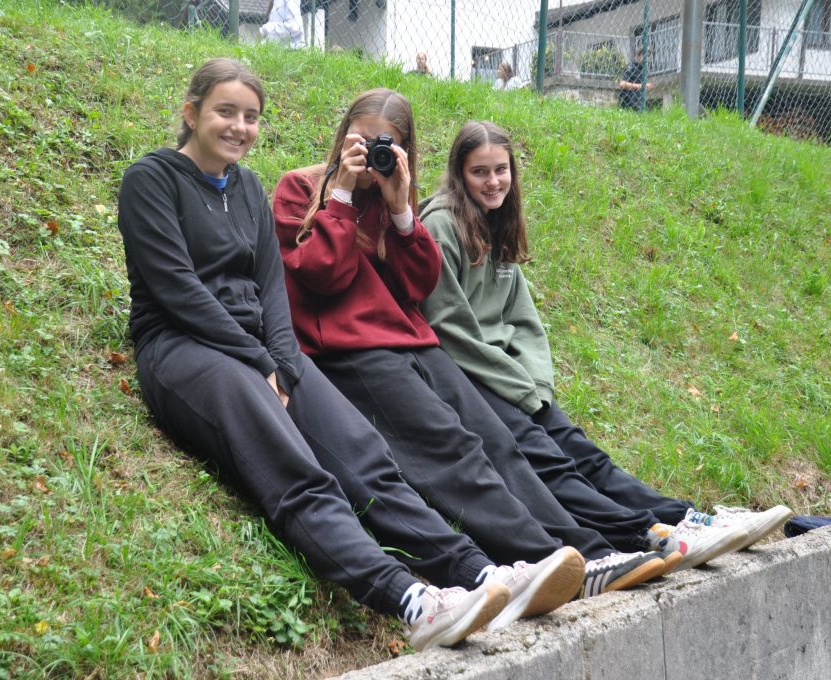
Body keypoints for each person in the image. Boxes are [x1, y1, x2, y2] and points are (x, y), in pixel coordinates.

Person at [115, 58, 604, 652]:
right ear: (191, 113)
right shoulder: (151, 179)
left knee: (364, 455)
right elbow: (177, 289)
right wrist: (260, 360)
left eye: (251, 116)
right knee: (299, 472)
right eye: (225, 112)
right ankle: (411, 599)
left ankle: (476, 572)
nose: (240, 127)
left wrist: (282, 360)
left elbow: (270, 288)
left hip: (261, 349)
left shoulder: (245, 186)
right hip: (185, 347)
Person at [271, 88, 694, 605]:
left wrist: (401, 211)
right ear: (343, 136)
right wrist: (340, 194)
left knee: (496, 442)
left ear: (404, 150)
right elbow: (322, 274)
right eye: (362, 139)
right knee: (451, 452)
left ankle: (588, 551)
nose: (372, 151)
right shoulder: (301, 188)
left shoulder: (389, 197)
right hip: (350, 353)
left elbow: (418, 285)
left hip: (414, 343)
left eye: (387, 143)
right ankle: (545, 558)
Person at [418, 120, 794, 564]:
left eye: (501, 169)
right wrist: (515, 385)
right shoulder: (442, 225)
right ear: (459, 173)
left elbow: (523, 319)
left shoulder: (497, 221)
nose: (493, 181)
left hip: (512, 377)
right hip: (472, 378)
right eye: (479, 172)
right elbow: (449, 326)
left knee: (587, 456)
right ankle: (644, 534)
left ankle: (688, 518)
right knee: (550, 463)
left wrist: (536, 383)